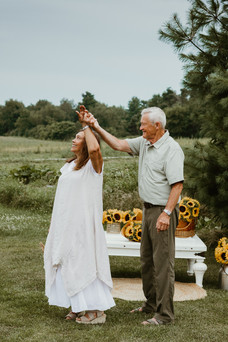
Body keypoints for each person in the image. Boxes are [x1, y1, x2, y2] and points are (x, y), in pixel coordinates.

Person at [83, 107, 184, 325]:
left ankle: (164, 315)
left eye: (143, 124)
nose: (140, 128)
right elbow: (118, 144)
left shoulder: (172, 150)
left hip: (162, 211)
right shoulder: (145, 143)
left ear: (157, 126)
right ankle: (150, 304)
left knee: (163, 263)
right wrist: (95, 125)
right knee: (147, 261)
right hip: (147, 211)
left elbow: (177, 186)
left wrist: (166, 214)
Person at [44, 105, 115, 325]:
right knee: (67, 261)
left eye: (78, 138)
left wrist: (86, 126)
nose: (73, 140)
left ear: (87, 142)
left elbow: (95, 150)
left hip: (83, 223)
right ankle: (77, 305)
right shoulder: (70, 166)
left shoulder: (93, 167)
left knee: (82, 262)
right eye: (75, 137)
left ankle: (95, 311)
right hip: (66, 222)